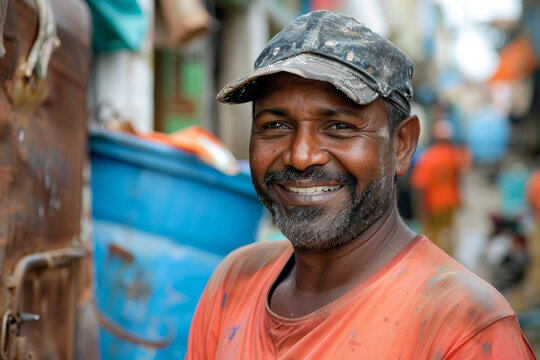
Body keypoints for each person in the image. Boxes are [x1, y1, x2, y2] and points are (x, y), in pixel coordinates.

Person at [186, 10, 536, 359]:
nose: (301, 155)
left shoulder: (465, 328)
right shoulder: (234, 281)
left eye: (339, 126)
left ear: (401, 145)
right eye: (275, 126)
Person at [410, 119, 471, 256]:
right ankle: (449, 258)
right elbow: (458, 179)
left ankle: (436, 263)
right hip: (450, 202)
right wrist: (460, 198)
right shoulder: (454, 155)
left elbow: (421, 187)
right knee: (447, 232)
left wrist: (421, 211)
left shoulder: (428, 157)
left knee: (433, 237)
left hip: (433, 205)